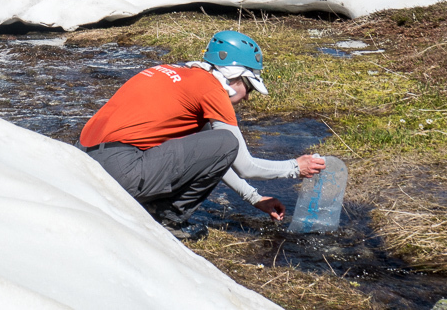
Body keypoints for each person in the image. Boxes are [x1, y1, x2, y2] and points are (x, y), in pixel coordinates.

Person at [77, 30, 325, 239]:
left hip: (81, 162)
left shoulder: (177, 73)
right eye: (249, 87)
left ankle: (148, 204)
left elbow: (212, 158)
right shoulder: (211, 88)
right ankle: (167, 220)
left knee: (214, 140)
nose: (248, 97)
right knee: (226, 141)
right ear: (234, 77)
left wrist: (255, 198)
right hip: (121, 170)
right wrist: (295, 168)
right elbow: (245, 166)